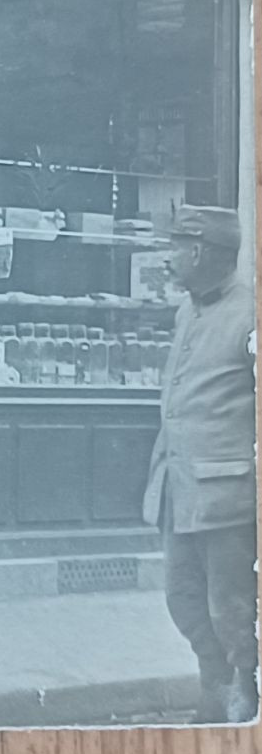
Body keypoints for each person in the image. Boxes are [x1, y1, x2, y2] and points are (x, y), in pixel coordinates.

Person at [141, 205, 257, 722]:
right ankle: (216, 686)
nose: (168, 259)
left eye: (175, 248)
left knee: (232, 609)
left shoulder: (251, 315)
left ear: (200, 252)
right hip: (179, 487)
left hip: (228, 496)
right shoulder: (186, 312)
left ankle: (244, 703)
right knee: (183, 598)